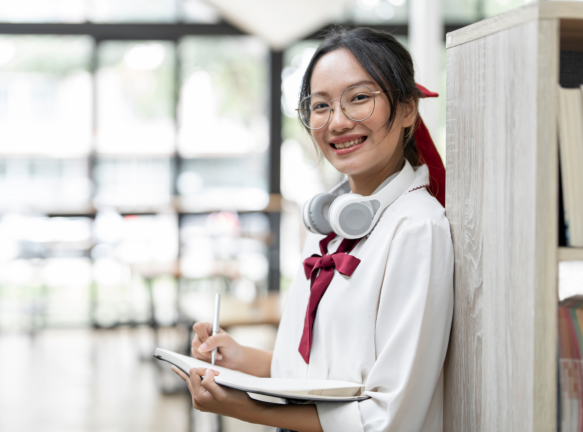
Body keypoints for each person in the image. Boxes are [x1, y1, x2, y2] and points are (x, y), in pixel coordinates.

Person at [171, 27, 454, 432]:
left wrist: (246, 409)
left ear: (408, 108)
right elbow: (320, 376)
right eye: (320, 106)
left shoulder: (417, 229)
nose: (337, 122)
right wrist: (238, 358)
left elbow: (388, 417)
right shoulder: (331, 225)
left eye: (359, 98)